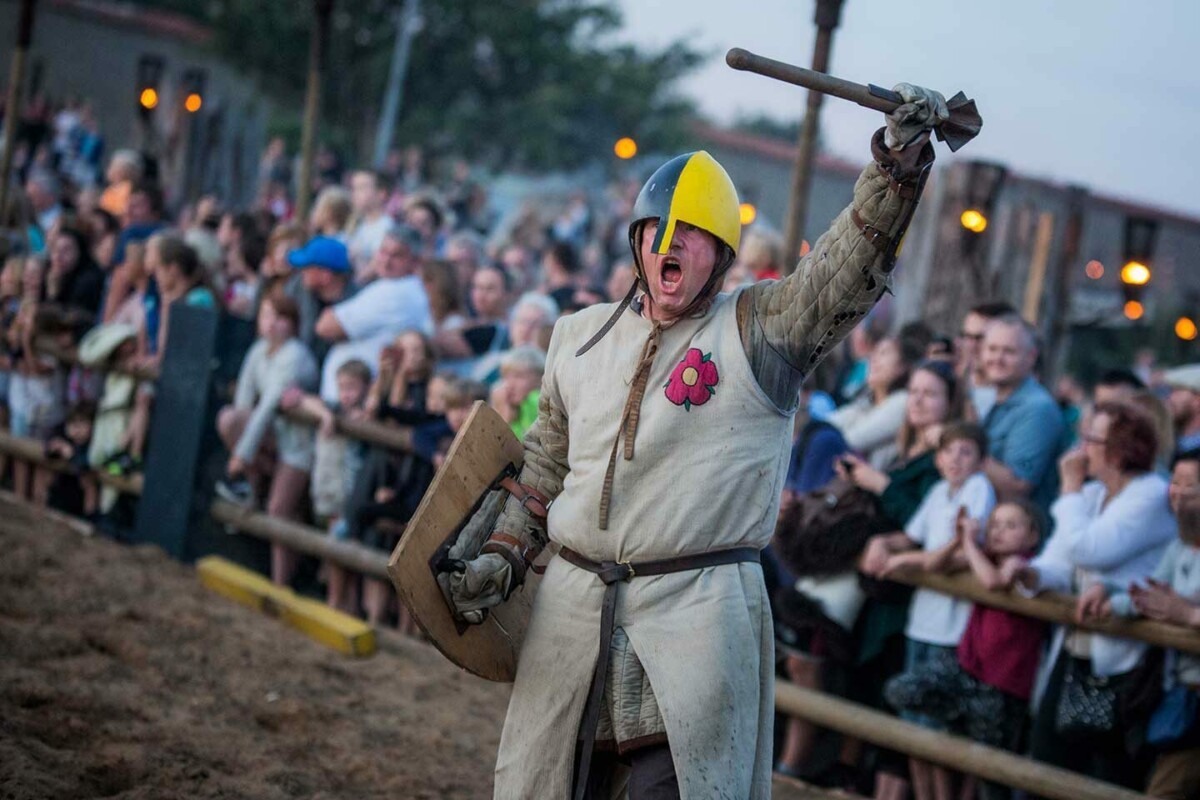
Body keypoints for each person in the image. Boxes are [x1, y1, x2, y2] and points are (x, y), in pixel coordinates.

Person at [444, 83, 947, 798]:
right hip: (572, 618)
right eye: (657, 229)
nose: (670, 243)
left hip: (696, 622)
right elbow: (547, 462)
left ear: (721, 253)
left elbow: (841, 272)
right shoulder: (577, 337)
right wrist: (504, 551)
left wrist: (896, 165)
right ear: (635, 240)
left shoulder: (761, 331)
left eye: (692, 234)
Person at [1005, 402, 1175, 790]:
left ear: (1119, 449)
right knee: (1046, 756)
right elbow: (1061, 559)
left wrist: (1068, 487)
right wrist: (1030, 573)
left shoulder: (1149, 494)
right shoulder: (1094, 494)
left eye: (1090, 440)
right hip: (1074, 651)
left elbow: (1091, 549)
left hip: (1123, 664)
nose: (1080, 450)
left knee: (1105, 773)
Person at [863, 422, 995, 800]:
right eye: (949, 451)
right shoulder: (939, 491)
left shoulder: (978, 490)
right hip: (921, 623)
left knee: (938, 730)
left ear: (981, 461)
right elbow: (914, 537)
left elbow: (954, 556)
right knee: (913, 727)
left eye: (966, 452)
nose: (956, 459)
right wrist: (883, 543)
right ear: (937, 459)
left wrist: (904, 561)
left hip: (950, 630)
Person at [883, 500, 1046, 800]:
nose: (999, 532)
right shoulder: (982, 554)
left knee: (991, 777)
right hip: (968, 668)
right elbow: (936, 565)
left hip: (1004, 686)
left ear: (1033, 535)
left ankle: (966, 722)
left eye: (1011, 526)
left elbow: (993, 581)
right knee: (902, 690)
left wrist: (970, 544)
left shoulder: (1029, 564)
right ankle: (963, 719)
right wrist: (959, 540)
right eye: (995, 525)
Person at [1080, 450, 1200, 800]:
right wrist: (1112, 599)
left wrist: (1188, 614)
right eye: (1176, 483)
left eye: (1191, 486)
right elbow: (1151, 594)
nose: (1179, 493)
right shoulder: (1180, 547)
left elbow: (1175, 606)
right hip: (1184, 696)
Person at [216, 292, 319, 586]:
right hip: (274, 443)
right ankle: (254, 482)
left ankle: (280, 584)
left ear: (293, 324)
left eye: (280, 317)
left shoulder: (296, 356)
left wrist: (242, 454)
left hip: (298, 447)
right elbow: (244, 404)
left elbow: (270, 403)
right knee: (229, 418)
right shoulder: (258, 351)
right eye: (266, 315)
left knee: (279, 510)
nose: (272, 324)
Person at [280, 358, 372, 613]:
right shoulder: (333, 408)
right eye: (342, 386)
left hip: (350, 496)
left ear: (366, 387)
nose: (346, 393)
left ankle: (340, 603)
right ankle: (337, 600)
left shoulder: (368, 414)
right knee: (333, 548)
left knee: (343, 548)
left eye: (352, 387)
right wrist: (325, 415)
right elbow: (295, 396)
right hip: (327, 493)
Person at [315, 224, 432, 405]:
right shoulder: (403, 287)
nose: (386, 261)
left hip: (353, 405)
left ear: (415, 262)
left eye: (397, 255)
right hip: (349, 399)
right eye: (383, 252)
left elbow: (325, 326)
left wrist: (362, 277)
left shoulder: (394, 291)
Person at [978, 313, 1063, 509]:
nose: (997, 359)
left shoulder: (1037, 409)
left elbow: (1018, 487)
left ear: (1031, 356)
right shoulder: (990, 399)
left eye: (1009, 351)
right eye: (992, 349)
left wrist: (965, 452)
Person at [828, 335, 922, 468]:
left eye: (884, 353)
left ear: (902, 366)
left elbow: (850, 440)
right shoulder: (865, 404)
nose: (874, 359)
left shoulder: (903, 400)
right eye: (874, 353)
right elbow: (824, 425)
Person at [954, 301, 1016, 421]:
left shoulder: (1014, 400)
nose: (971, 345)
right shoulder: (951, 387)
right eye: (967, 336)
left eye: (980, 338)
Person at [346, 170, 394, 282]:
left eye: (361, 188)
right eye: (354, 188)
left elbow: (376, 265)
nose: (355, 194)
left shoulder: (386, 227)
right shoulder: (358, 224)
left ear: (381, 194)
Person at [490, 346, 545, 439]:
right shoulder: (515, 406)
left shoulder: (536, 399)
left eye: (518, 376)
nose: (510, 384)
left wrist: (503, 414)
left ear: (540, 379)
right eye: (505, 377)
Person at [1162, 364, 1200, 454]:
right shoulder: (1167, 445)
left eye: (1177, 391)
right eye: (1170, 391)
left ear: (1197, 400)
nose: (1169, 398)